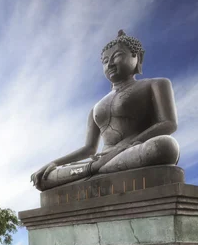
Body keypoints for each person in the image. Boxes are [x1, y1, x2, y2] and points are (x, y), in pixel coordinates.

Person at [31, 30, 180, 191]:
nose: (110, 64)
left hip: (129, 152)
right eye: (105, 60)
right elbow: (89, 149)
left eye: (117, 56)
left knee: (165, 146)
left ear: (138, 57)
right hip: (100, 159)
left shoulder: (156, 84)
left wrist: (124, 146)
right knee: (44, 178)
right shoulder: (96, 107)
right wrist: (54, 163)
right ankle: (95, 169)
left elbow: (168, 123)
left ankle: (92, 171)